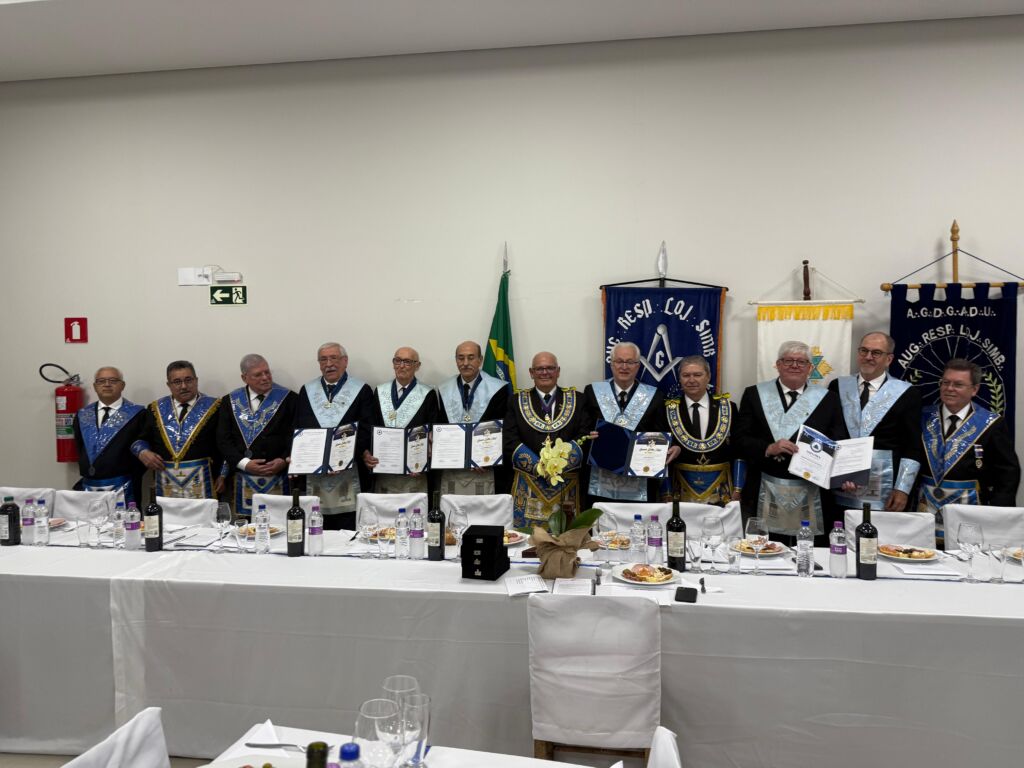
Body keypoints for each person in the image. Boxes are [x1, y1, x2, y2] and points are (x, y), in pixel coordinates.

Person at [735, 341, 848, 540]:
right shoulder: (754, 394)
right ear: (778, 365)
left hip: (811, 489)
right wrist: (768, 448)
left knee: (808, 550)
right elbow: (739, 439)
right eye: (788, 361)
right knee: (764, 548)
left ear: (810, 368)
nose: (795, 365)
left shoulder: (828, 399)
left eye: (801, 362)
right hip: (764, 484)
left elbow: (838, 441)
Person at [918, 358, 1020, 539]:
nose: (949, 388)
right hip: (924, 510)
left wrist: (998, 516)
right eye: (945, 382)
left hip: (972, 513)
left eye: (958, 384)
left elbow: (1007, 473)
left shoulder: (991, 423)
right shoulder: (922, 417)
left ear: (974, 389)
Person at [828, 333, 922, 511]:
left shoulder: (907, 394)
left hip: (884, 488)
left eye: (876, 353)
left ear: (889, 359)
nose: (868, 357)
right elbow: (830, 433)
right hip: (841, 483)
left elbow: (912, 445)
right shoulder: (837, 386)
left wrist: (902, 488)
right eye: (864, 351)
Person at [503, 351, 589, 531]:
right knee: (527, 540)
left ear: (558, 371)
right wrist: (539, 467)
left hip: (566, 482)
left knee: (566, 537)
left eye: (550, 368)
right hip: (528, 482)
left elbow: (584, 435)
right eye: (539, 369)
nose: (545, 372)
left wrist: (557, 466)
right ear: (531, 372)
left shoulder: (578, 399)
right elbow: (510, 439)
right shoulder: (516, 401)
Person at [293, 343, 374, 530]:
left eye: (334, 358)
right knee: (316, 525)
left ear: (345, 361)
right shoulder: (307, 390)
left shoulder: (362, 390)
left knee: (347, 528)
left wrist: (340, 459)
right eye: (323, 359)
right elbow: (299, 428)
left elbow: (366, 430)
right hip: (315, 472)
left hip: (348, 470)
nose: (329, 364)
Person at [582, 342, 667, 504]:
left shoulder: (655, 396)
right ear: (611, 364)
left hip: (639, 482)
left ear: (638, 366)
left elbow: (660, 435)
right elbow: (583, 430)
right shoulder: (592, 391)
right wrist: (588, 436)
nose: (624, 367)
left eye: (630, 362)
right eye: (619, 361)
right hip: (600, 481)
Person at [216, 353, 297, 515]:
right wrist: (244, 463)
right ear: (244, 378)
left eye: (267, 372)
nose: (265, 377)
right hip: (243, 476)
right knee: (246, 527)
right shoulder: (229, 401)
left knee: (280, 523)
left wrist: (283, 460)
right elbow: (223, 440)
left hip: (279, 475)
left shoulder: (290, 399)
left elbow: (296, 436)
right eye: (258, 375)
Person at [135, 361, 226, 499]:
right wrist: (143, 452)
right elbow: (141, 440)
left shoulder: (216, 407)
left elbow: (227, 444)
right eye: (177, 382)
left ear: (196, 380)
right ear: (169, 385)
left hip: (205, 483)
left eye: (188, 380)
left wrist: (223, 474)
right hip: (165, 484)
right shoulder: (155, 409)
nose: (184, 386)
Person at [434, 340, 511, 495]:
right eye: (461, 358)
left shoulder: (498, 389)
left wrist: (487, 459)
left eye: (471, 357)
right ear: (456, 360)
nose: (465, 363)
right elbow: (440, 427)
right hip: (452, 466)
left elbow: (502, 428)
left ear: (480, 360)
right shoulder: (444, 388)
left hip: (483, 468)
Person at [663, 355, 743, 505]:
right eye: (686, 375)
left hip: (722, 491)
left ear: (708, 377)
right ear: (679, 379)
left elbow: (740, 449)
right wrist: (666, 492)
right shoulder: (667, 410)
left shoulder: (728, 408)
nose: (691, 380)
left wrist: (738, 488)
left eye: (698, 375)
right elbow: (662, 455)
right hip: (680, 490)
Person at [362, 347, 437, 494]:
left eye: (407, 362)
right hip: (384, 470)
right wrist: (367, 453)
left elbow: (431, 432)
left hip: (414, 473)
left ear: (417, 366)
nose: (401, 366)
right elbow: (371, 427)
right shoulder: (380, 391)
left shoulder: (428, 394)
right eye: (397, 361)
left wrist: (424, 461)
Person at [72, 366, 148, 504]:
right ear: (95, 386)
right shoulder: (82, 415)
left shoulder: (138, 414)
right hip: (88, 487)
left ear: (122, 385)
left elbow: (143, 449)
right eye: (101, 381)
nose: (107, 384)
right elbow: (79, 447)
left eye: (113, 380)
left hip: (125, 487)